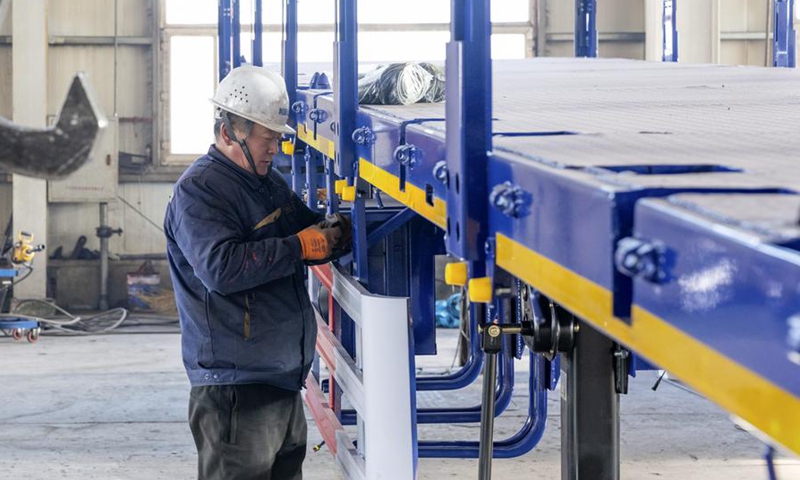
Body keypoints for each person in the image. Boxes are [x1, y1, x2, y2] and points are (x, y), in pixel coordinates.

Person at [164, 64, 349, 480]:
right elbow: (221, 268)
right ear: (230, 133)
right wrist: (299, 245)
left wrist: (339, 231)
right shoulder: (200, 191)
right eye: (267, 139)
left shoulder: (266, 182)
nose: (274, 149)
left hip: (279, 378)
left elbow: (309, 228)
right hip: (236, 387)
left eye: (277, 139)